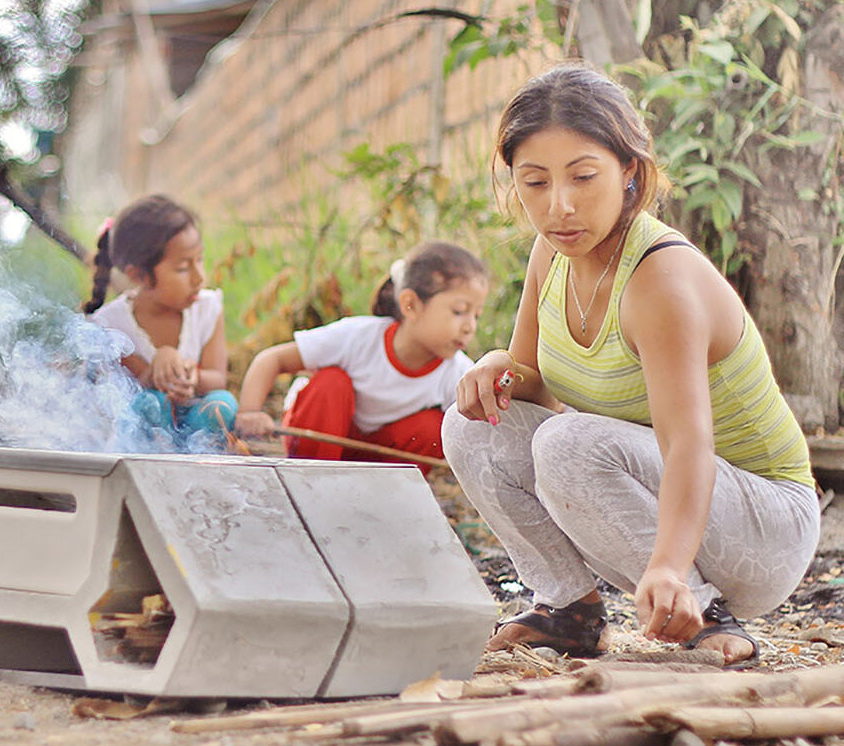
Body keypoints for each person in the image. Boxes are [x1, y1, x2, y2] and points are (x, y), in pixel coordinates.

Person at [442, 62, 819, 668]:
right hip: (664, 491)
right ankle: (569, 611)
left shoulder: (660, 279)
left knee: (567, 443)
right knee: (471, 424)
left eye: (583, 177)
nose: (560, 206)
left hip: (764, 523)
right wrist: (496, 367)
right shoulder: (553, 253)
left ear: (630, 174)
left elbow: (688, 441)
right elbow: (534, 384)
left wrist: (670, 565)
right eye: (535, 183)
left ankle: (702, 611)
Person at [235, 242, 488, 470]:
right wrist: (249, 413)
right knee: (331, 383)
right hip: (319, 446)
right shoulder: (359, 337)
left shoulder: (456, 372)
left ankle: (386, 496)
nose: (470, 327)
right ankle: (311, 482)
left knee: (435, 427)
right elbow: (272, 360)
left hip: (377, 460)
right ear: (410, 304)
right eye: (459, 311)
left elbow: (480, 432)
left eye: (476, 315)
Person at [84, 194, 238, 446]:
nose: (200, 277)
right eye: (183, 268)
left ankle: (195, 455)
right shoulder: (112, 324)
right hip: (144, 433)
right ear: (140, 276)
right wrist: (158, 365)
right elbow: (122, 392)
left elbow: (218, 379)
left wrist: (193, 378)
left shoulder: (207, 308)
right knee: (148, 404)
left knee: (223, 404)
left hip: (195, 419)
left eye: (199, 260)